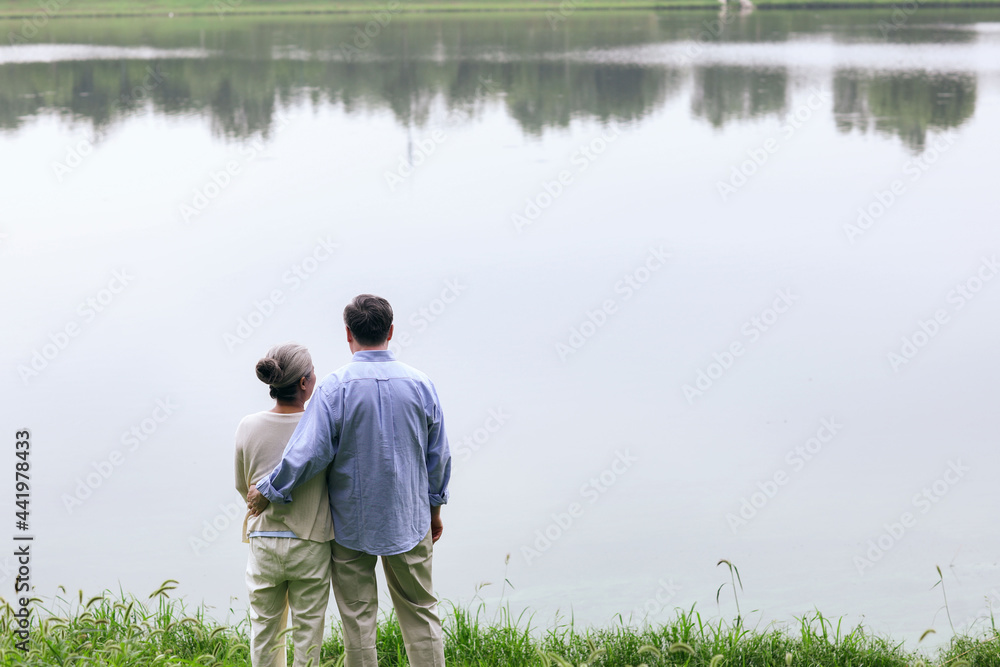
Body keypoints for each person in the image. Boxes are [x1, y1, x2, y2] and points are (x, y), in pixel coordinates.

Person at [247, 294, 452, 667]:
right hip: (411, 517)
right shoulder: (422, 385)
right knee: (421, 610)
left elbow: (309, 452)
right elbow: (438, 457)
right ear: (390, 331)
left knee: (358, 619)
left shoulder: (334, 388)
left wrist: (269, 489)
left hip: (350, 523)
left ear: (348, 334)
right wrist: (434, 509)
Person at [235, 343, 336, 667]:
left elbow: (243, 485)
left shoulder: (248, 425)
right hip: (310, 541)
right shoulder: (320, 428)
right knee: (308, 633)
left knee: (264, 630)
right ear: (305, 383)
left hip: (264, 539)